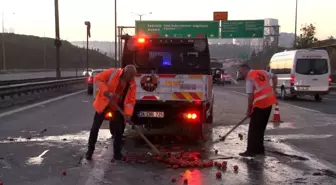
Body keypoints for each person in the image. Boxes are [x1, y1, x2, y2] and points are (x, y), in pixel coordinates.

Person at [85, 65, 137, 160]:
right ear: (126, 73)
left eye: (133, 76)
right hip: (104, 103)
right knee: (95, 128)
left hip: (117, 107)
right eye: (131, 76)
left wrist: (128, 114)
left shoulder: (132, 84)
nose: (132, 78)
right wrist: (104, 89)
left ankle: (117, 154)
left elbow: (130, 101)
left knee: (119, 131)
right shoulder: (113, 73)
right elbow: (98, 78)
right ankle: (90, 151)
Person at [238, 63, 278, 157]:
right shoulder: (261, 72)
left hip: (260, 104)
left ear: (245, 69)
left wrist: (249, 110)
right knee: (261, 128)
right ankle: (260, 150)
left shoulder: (249, 78)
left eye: (240, 71)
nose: (240, 73)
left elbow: (250, 97)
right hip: (269, 102)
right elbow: (275, 76)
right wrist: (274, 89)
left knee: (253, 129)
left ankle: (251, 151)